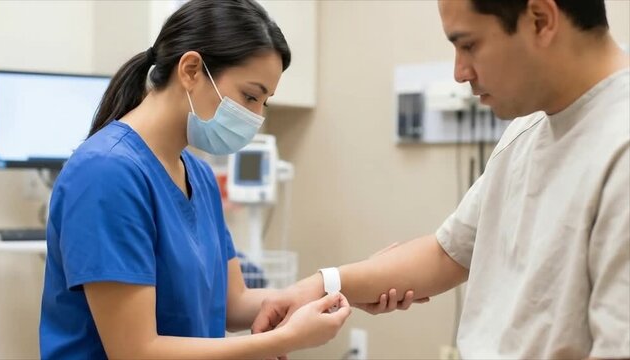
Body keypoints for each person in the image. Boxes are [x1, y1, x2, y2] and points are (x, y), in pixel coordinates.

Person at [253, 0, 630, 358]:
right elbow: (446, 253)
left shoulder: (618, 146)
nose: (459, 72)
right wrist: (324, 285)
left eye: (468, 45)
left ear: (540, 20)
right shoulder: (531, 127)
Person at [38, 1, 351, 358]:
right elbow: (136, 351)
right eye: (250, 96)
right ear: (190, 70)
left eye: (264, 102)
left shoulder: (198, 175)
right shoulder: (106, 173)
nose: (255, 116)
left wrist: (327, 294)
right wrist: (285, 339)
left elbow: (234, 303)